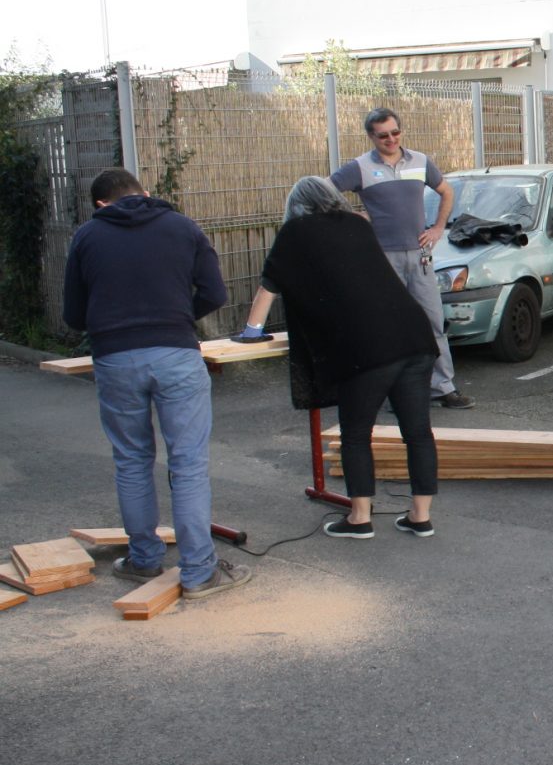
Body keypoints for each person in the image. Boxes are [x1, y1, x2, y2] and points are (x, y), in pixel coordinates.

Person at [62, 169, 251, 598]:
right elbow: (215, 293)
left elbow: (74, 315)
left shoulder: (87, 237)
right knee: (187, 464)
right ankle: (199, 572)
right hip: (176, 354)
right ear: (145, 194)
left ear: (100, 205)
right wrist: (177, 316)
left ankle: (144, 559)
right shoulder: (182, 227)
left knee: (131, 460)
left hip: (115, 359)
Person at [239, 177, 440, 539]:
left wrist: (252, 331)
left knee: (356, 434)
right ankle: (420, 516)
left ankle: (360, 519)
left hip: (367, 346)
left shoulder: (294, 232)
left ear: (296, 206)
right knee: (417, 432)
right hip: (414, 335)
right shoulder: (358, 225)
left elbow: (269, 286)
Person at [328, 107, 474, 409]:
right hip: (383, 260)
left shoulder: (420, 161)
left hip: (420, 257)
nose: (391, 139)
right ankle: (396, 394)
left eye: (395, 132)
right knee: (389, 327)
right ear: (371, 137)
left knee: (433, 322)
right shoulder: (360, 167)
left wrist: (437, 228)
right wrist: (353, 216)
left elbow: (446, 192)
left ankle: (443, 388)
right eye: (383, 135)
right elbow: (323, 192)